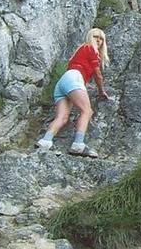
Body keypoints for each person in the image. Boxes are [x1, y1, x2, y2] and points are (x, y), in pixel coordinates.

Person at [36, 28, 110, 157]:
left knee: (62, 117)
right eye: (96, 37)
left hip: (63, 81)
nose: (99, 40)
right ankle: (78, 144)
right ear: (89, 37)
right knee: (87, 111)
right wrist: (101, 91)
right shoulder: (90, 48)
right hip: (74, 78)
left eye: (101, 38)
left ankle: (45, 141)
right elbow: (98, 75)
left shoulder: (80, 50)